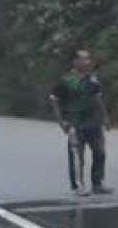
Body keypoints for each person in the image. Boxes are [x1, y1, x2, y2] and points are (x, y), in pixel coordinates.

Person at [49, 47, 114, 196]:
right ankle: (78, 185)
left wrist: (105, 117)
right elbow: (54, 99)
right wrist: (61, 121)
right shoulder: (67, 80)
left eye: (88, 58)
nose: (87, 61)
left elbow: (98, 98)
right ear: (75, 61)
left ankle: (98, 183)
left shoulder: (92, 78)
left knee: (100, 153)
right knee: (77, 156)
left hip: (93, 121)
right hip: (75, 121)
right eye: (83, 58)